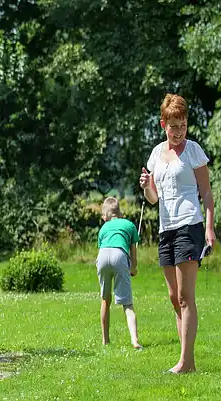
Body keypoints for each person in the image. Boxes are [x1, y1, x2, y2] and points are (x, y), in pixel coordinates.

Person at [140, 93, 216, 374]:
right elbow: (152, 199)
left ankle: (185, 362)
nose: (178, 130)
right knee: (174, 298)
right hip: (166, 230)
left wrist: (209, 227)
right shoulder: (156, 154)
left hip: (189, 225)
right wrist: (147, 184)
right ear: (163, 124)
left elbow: (206, 193)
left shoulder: (193, 150)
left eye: (182, 124)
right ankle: (188, 361)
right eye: (173, 125)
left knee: (186, 297)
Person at [96, 197, 141, 349]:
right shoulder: (129, 225)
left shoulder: (103, 228)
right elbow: (133, 252)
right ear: (120, 213)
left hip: (102, 256)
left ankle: (105, 341)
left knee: (105, 300)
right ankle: (134, 341)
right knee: (127, 304)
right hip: (119, 255)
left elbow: (102, 247)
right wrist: (133, 268)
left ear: (105, 217)